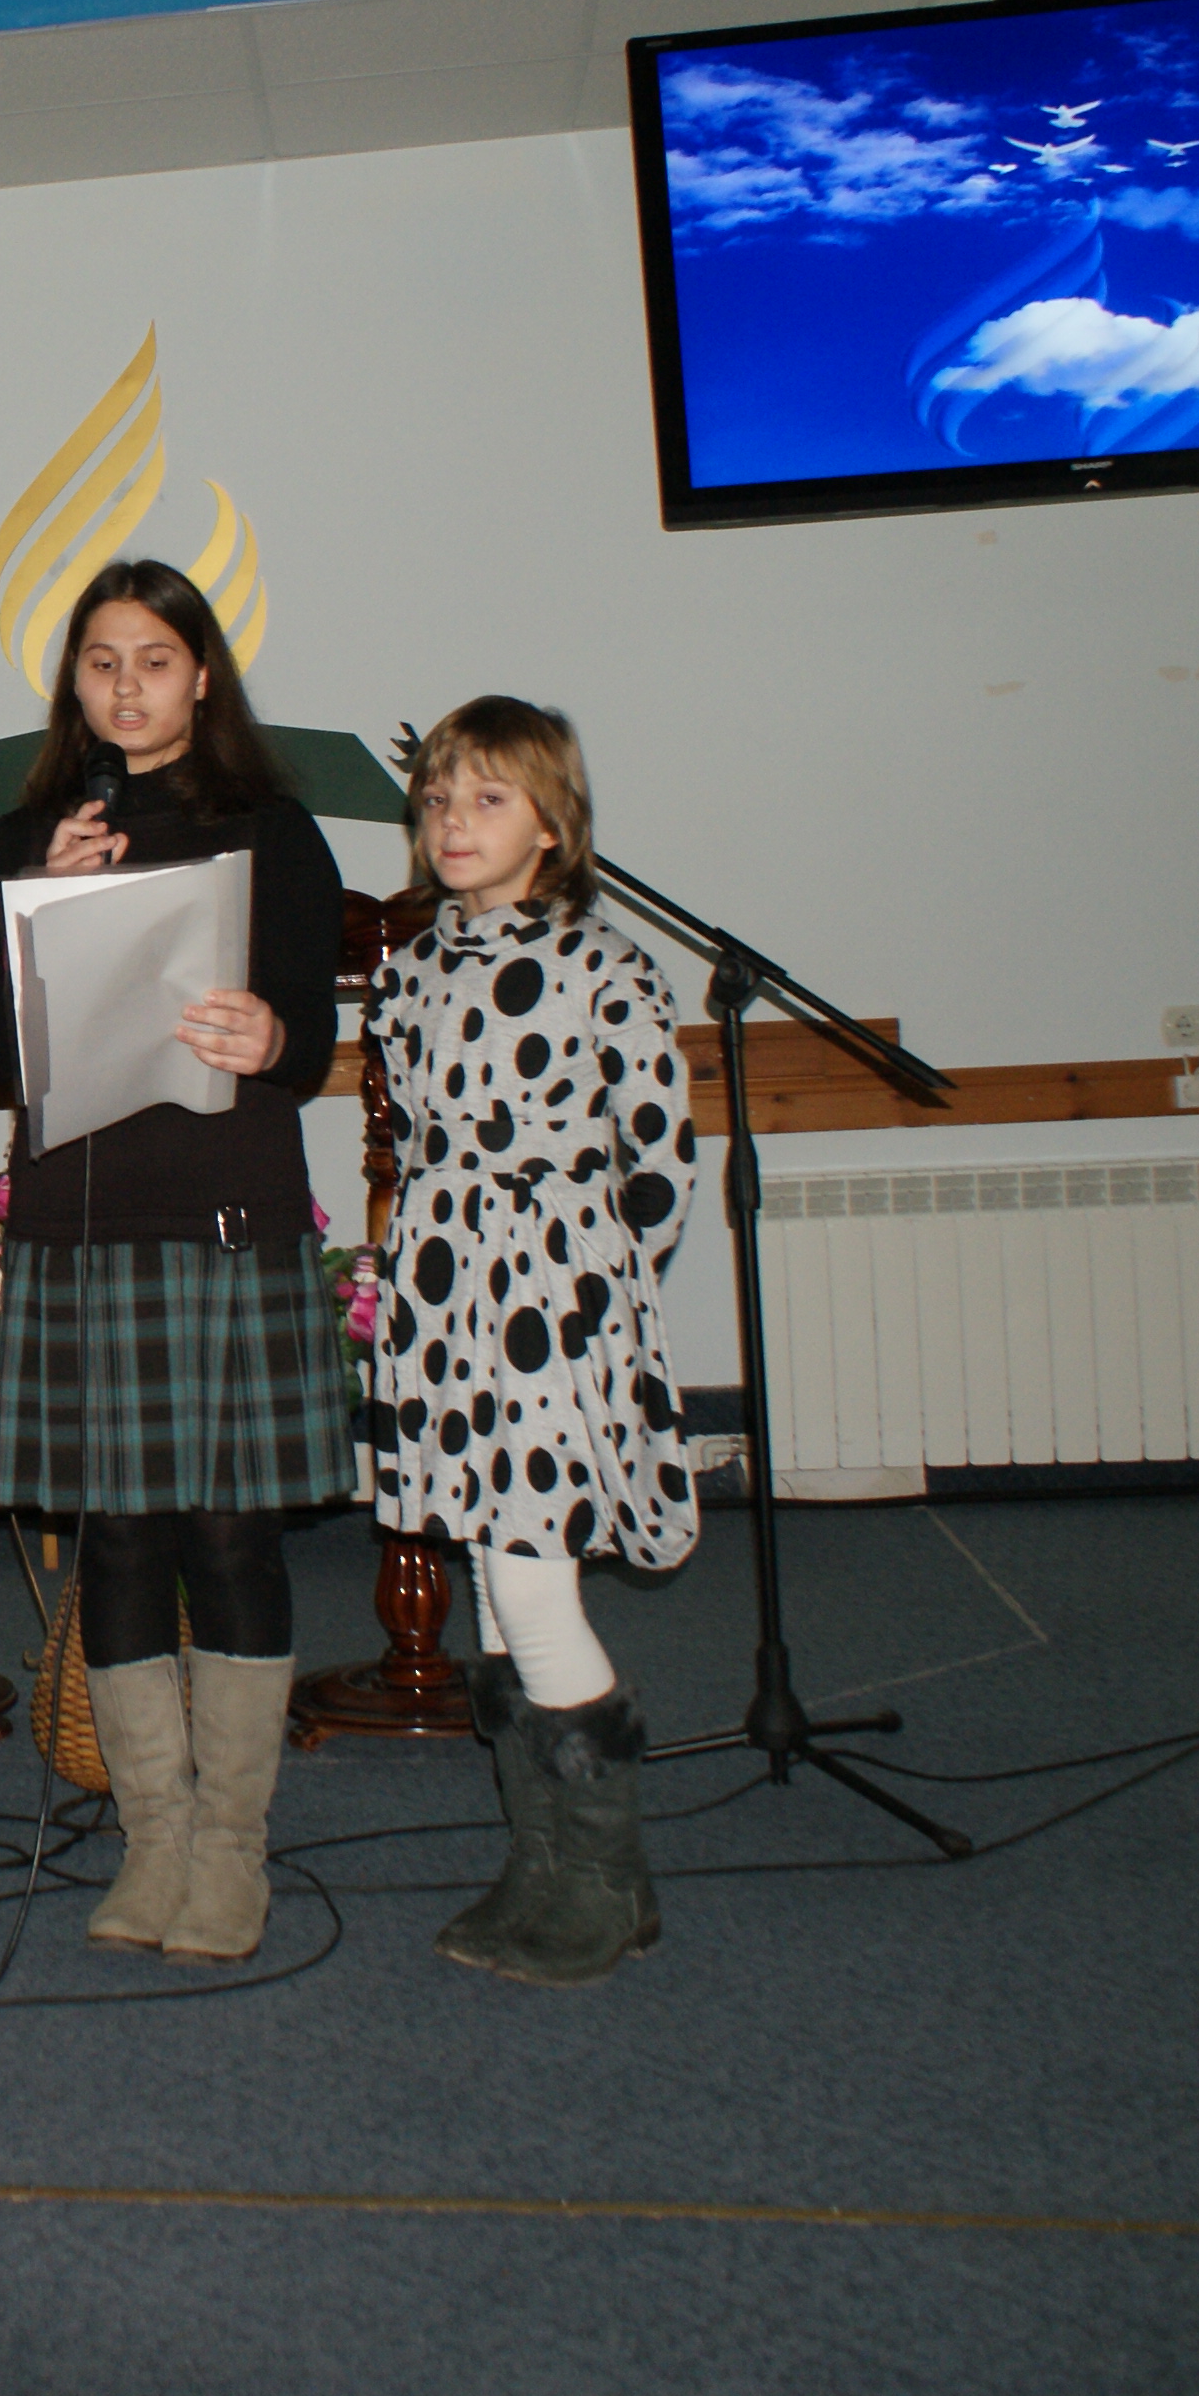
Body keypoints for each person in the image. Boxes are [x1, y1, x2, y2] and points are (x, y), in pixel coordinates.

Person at [0, 561, 348, 1968]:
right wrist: (39, 910)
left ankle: (231, 1850)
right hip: (83, 1226)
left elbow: (307, 1036)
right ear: (73, 681)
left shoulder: (272, 829)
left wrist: (270, 1037)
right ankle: (153, 1840)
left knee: (229, 1534)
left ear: (201, 676)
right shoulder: (25, 840)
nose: (126, 687)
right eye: (100, 661)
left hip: (224, 1219)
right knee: (117, 1535)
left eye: (154, 660)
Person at [370, 696, 700, 1990]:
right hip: (446, 1304)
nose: (453, 820)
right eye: (437, 798)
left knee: (529, 1584)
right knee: (495, 1588)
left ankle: (611, 1883)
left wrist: (582, 1291)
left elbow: (658, 1168)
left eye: (487, 798)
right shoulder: (409, 970)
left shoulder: (606, 966)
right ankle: (542, 1866)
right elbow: (417, 1133)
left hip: (551, 1312)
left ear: (551, 824)